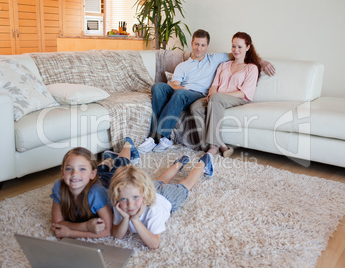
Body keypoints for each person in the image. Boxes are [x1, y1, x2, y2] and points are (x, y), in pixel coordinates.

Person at [137, 29, 275, 154]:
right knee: (158, 87)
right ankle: (157, 138)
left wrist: (261, 62)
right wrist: (183, 90)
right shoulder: (183, 66)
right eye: (196, 44)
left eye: (202, 45)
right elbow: (174, 84)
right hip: (183, 92)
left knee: (180, 95)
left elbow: (240, 54)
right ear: (192, 44)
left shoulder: (216, 59)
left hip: (198, 94)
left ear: (207, 46)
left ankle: (158, 137)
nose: (199, 48)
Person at [109, 153, 214, 249]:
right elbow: (117, 236)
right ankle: (178, 163)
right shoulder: (120, 205)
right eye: (123, 199)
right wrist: (126, 218)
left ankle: (203, 162)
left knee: (186, 184)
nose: (130, 205)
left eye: (135, 197)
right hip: (153, 188)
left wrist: (135, 220)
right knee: (161, 181)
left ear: (144, 193)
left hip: (167, 197)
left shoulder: (154, 209)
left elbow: (155, 244)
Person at [190, 32, 262, 157]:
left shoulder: (251, 68)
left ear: (248, 47)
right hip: (217, 97)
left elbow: (244, 93)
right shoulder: (224, 65)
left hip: (238, 99)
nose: (236, 50)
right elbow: (214, 85)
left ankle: (214, 146)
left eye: (240, 47)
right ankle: (208, 145)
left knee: (217, 98)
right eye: (233, 46)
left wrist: (218, 95)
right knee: (195, 106)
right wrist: (212, 94)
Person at [50, 147, 113, 238]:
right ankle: (107, 161)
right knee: (102, 170)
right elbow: (57, 223)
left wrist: (70, 233)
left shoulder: (96, 192)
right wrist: (86, 226)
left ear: (92, 174)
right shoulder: (59, 186)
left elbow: (108, 230)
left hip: (108, 183)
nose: (75, 174)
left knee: (120, 164)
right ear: (63, 173)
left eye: (82, 169)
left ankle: (117, 155)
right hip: (92, 178)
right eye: (69, 169)